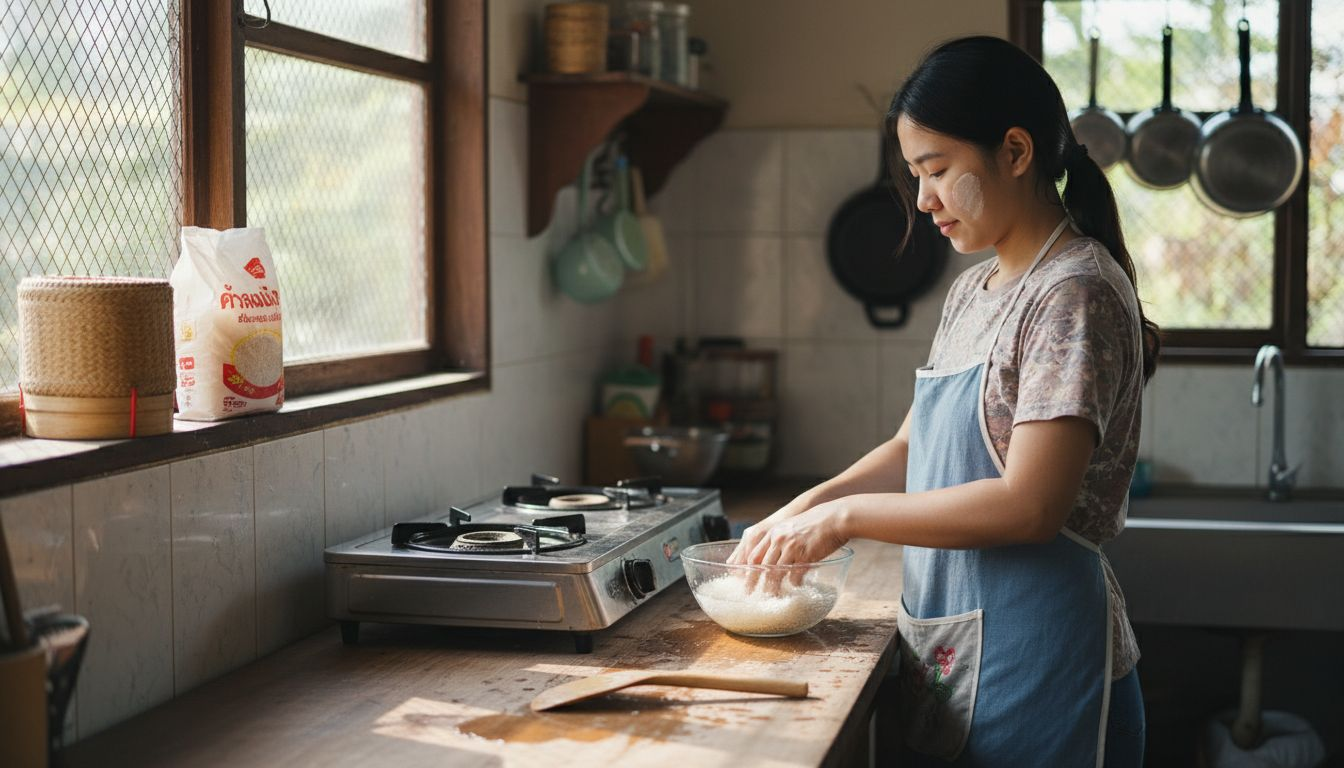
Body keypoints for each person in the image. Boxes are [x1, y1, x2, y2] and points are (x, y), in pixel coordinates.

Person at [729, 36, 1160, 767]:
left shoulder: (1072, 293)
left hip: (1044, 666)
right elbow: (910, 449)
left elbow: (1030, 507)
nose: (924, 199)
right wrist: (803, 507)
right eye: (915, 174)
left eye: (937, 171)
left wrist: (844, 520)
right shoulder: (975, 290)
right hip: (959, 650)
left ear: (1016, 151)